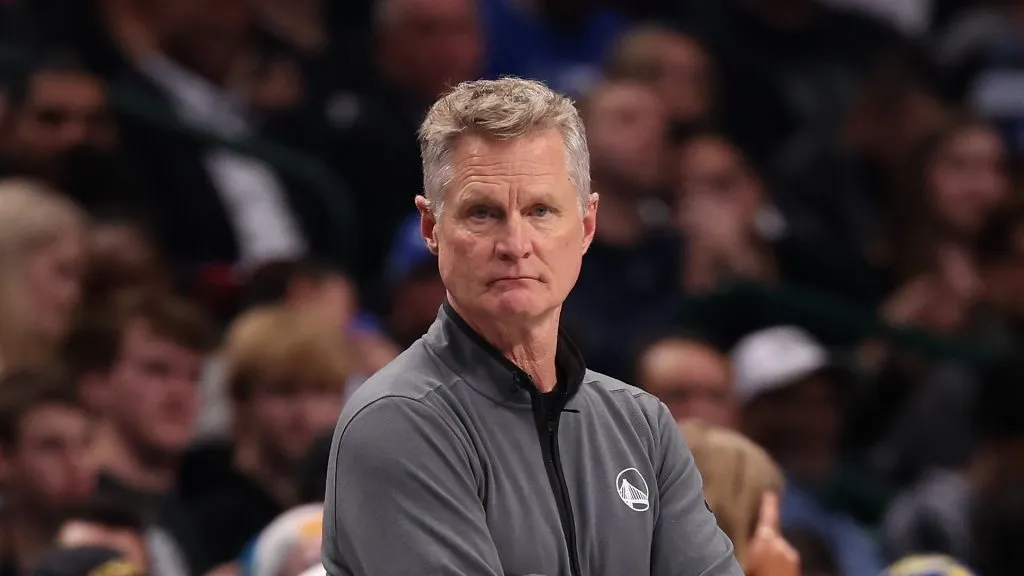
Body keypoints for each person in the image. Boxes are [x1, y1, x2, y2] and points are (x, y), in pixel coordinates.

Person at [323, 77, 793, 576]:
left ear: (587, 224)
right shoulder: (398, 421)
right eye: (482, 213)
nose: (516, 243)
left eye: (540, 210)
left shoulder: (643, 426)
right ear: (431, 228)